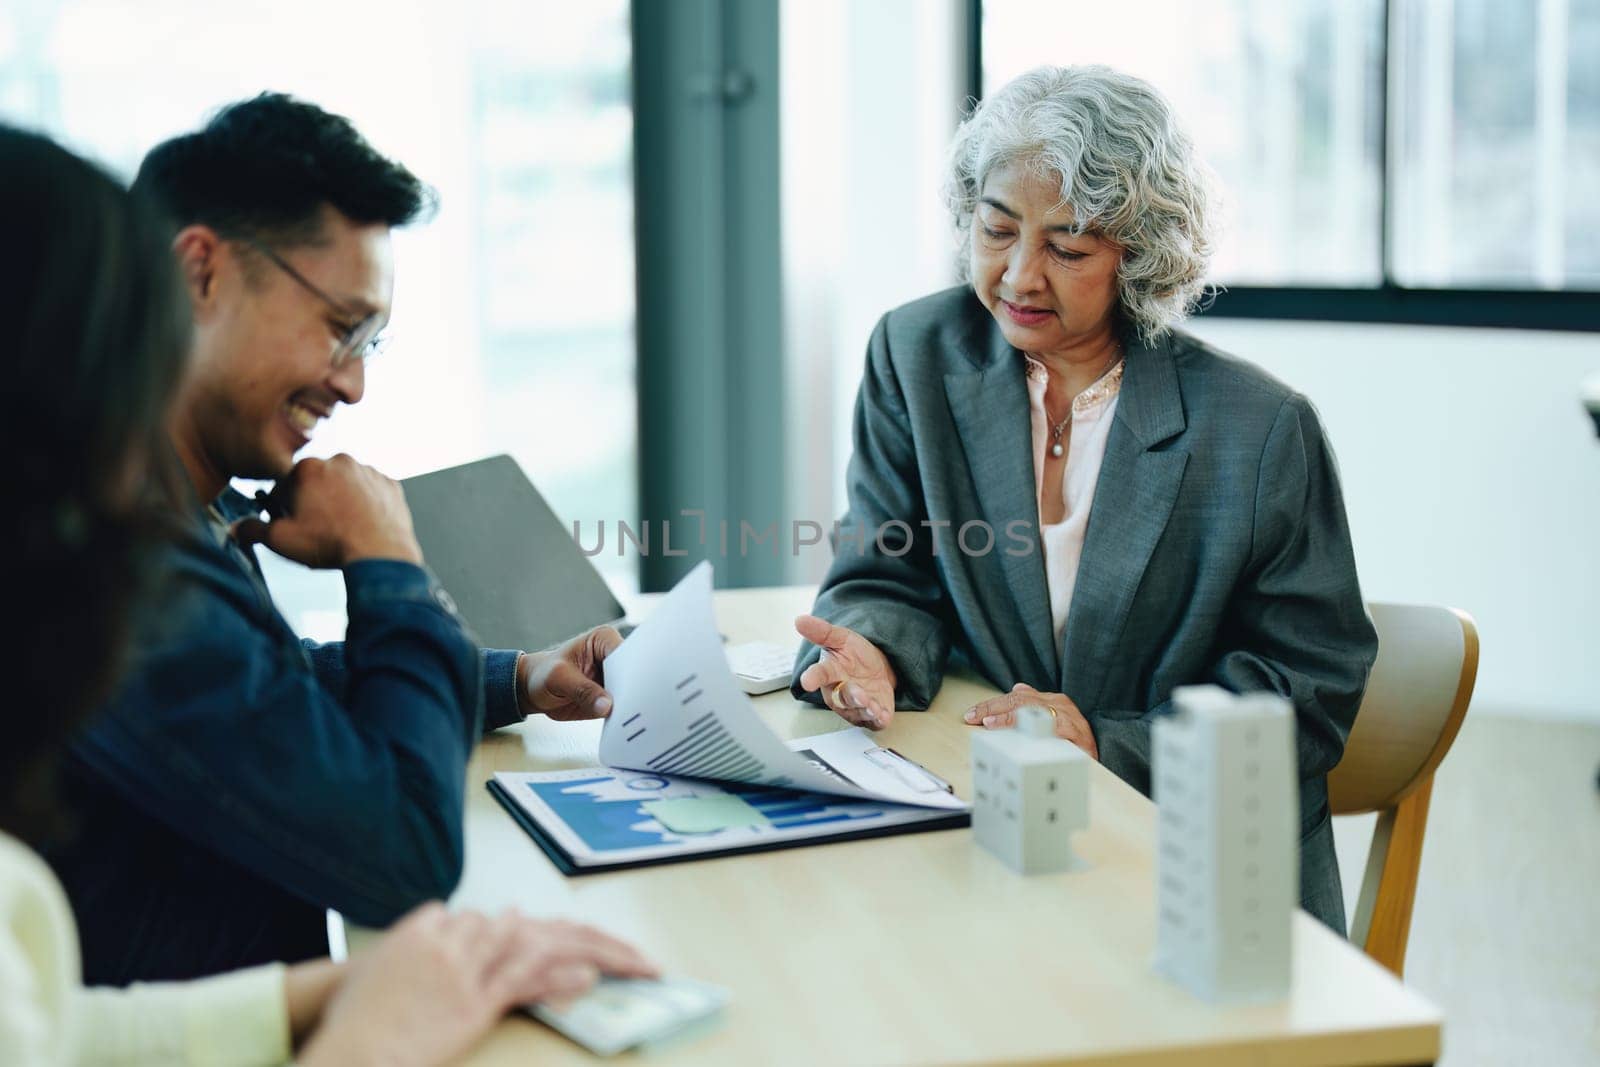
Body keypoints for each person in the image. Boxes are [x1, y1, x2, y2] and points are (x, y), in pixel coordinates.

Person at [0, 123, 655, 1066]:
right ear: (195, 277)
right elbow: (403, 852)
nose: (351, 382)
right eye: (343, 328)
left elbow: (259, 695)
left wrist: (509, 678)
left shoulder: (166, 516)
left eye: (370, 344)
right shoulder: (112, 555)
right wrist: (391, 564)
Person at [790, 66, 1376, 933]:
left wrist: (1104, 740)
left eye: (1068, 248)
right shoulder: (914, 355)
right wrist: (875, 651)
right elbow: (886, 571)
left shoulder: (1260, 430)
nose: (1020, 276)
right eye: (996, 230)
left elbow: (1309, 687)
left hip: (1205, 875)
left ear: (1140, 255)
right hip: (990, 824)